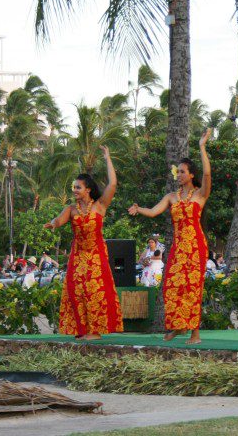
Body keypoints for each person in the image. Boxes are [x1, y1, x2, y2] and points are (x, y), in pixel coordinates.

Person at [129, 129, 212, 345]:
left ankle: (195, 333)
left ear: (191, 175)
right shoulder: (172, 197)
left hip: (195, 247)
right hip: (178, 247)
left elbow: (208, 175)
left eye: (183, 172)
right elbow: (154, 211)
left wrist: (202, 147)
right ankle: (177, 326)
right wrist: (139, 209)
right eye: (179, 172)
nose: (179, 175)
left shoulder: (200, 195)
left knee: (192, 287)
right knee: (171, 286)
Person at [44, 145, 123, 340]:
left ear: (88, 189)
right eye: (74, 187)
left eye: (78, 187)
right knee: (76, 290)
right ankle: (81, 329)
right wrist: (53, 224)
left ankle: (95, 331)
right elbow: (59, 220)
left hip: (96, 256)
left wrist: (107, 157)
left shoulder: (99, 206)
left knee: (95, 290)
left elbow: (112, 184)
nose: (74, 190)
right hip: (78, 256)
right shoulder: (71, 209)